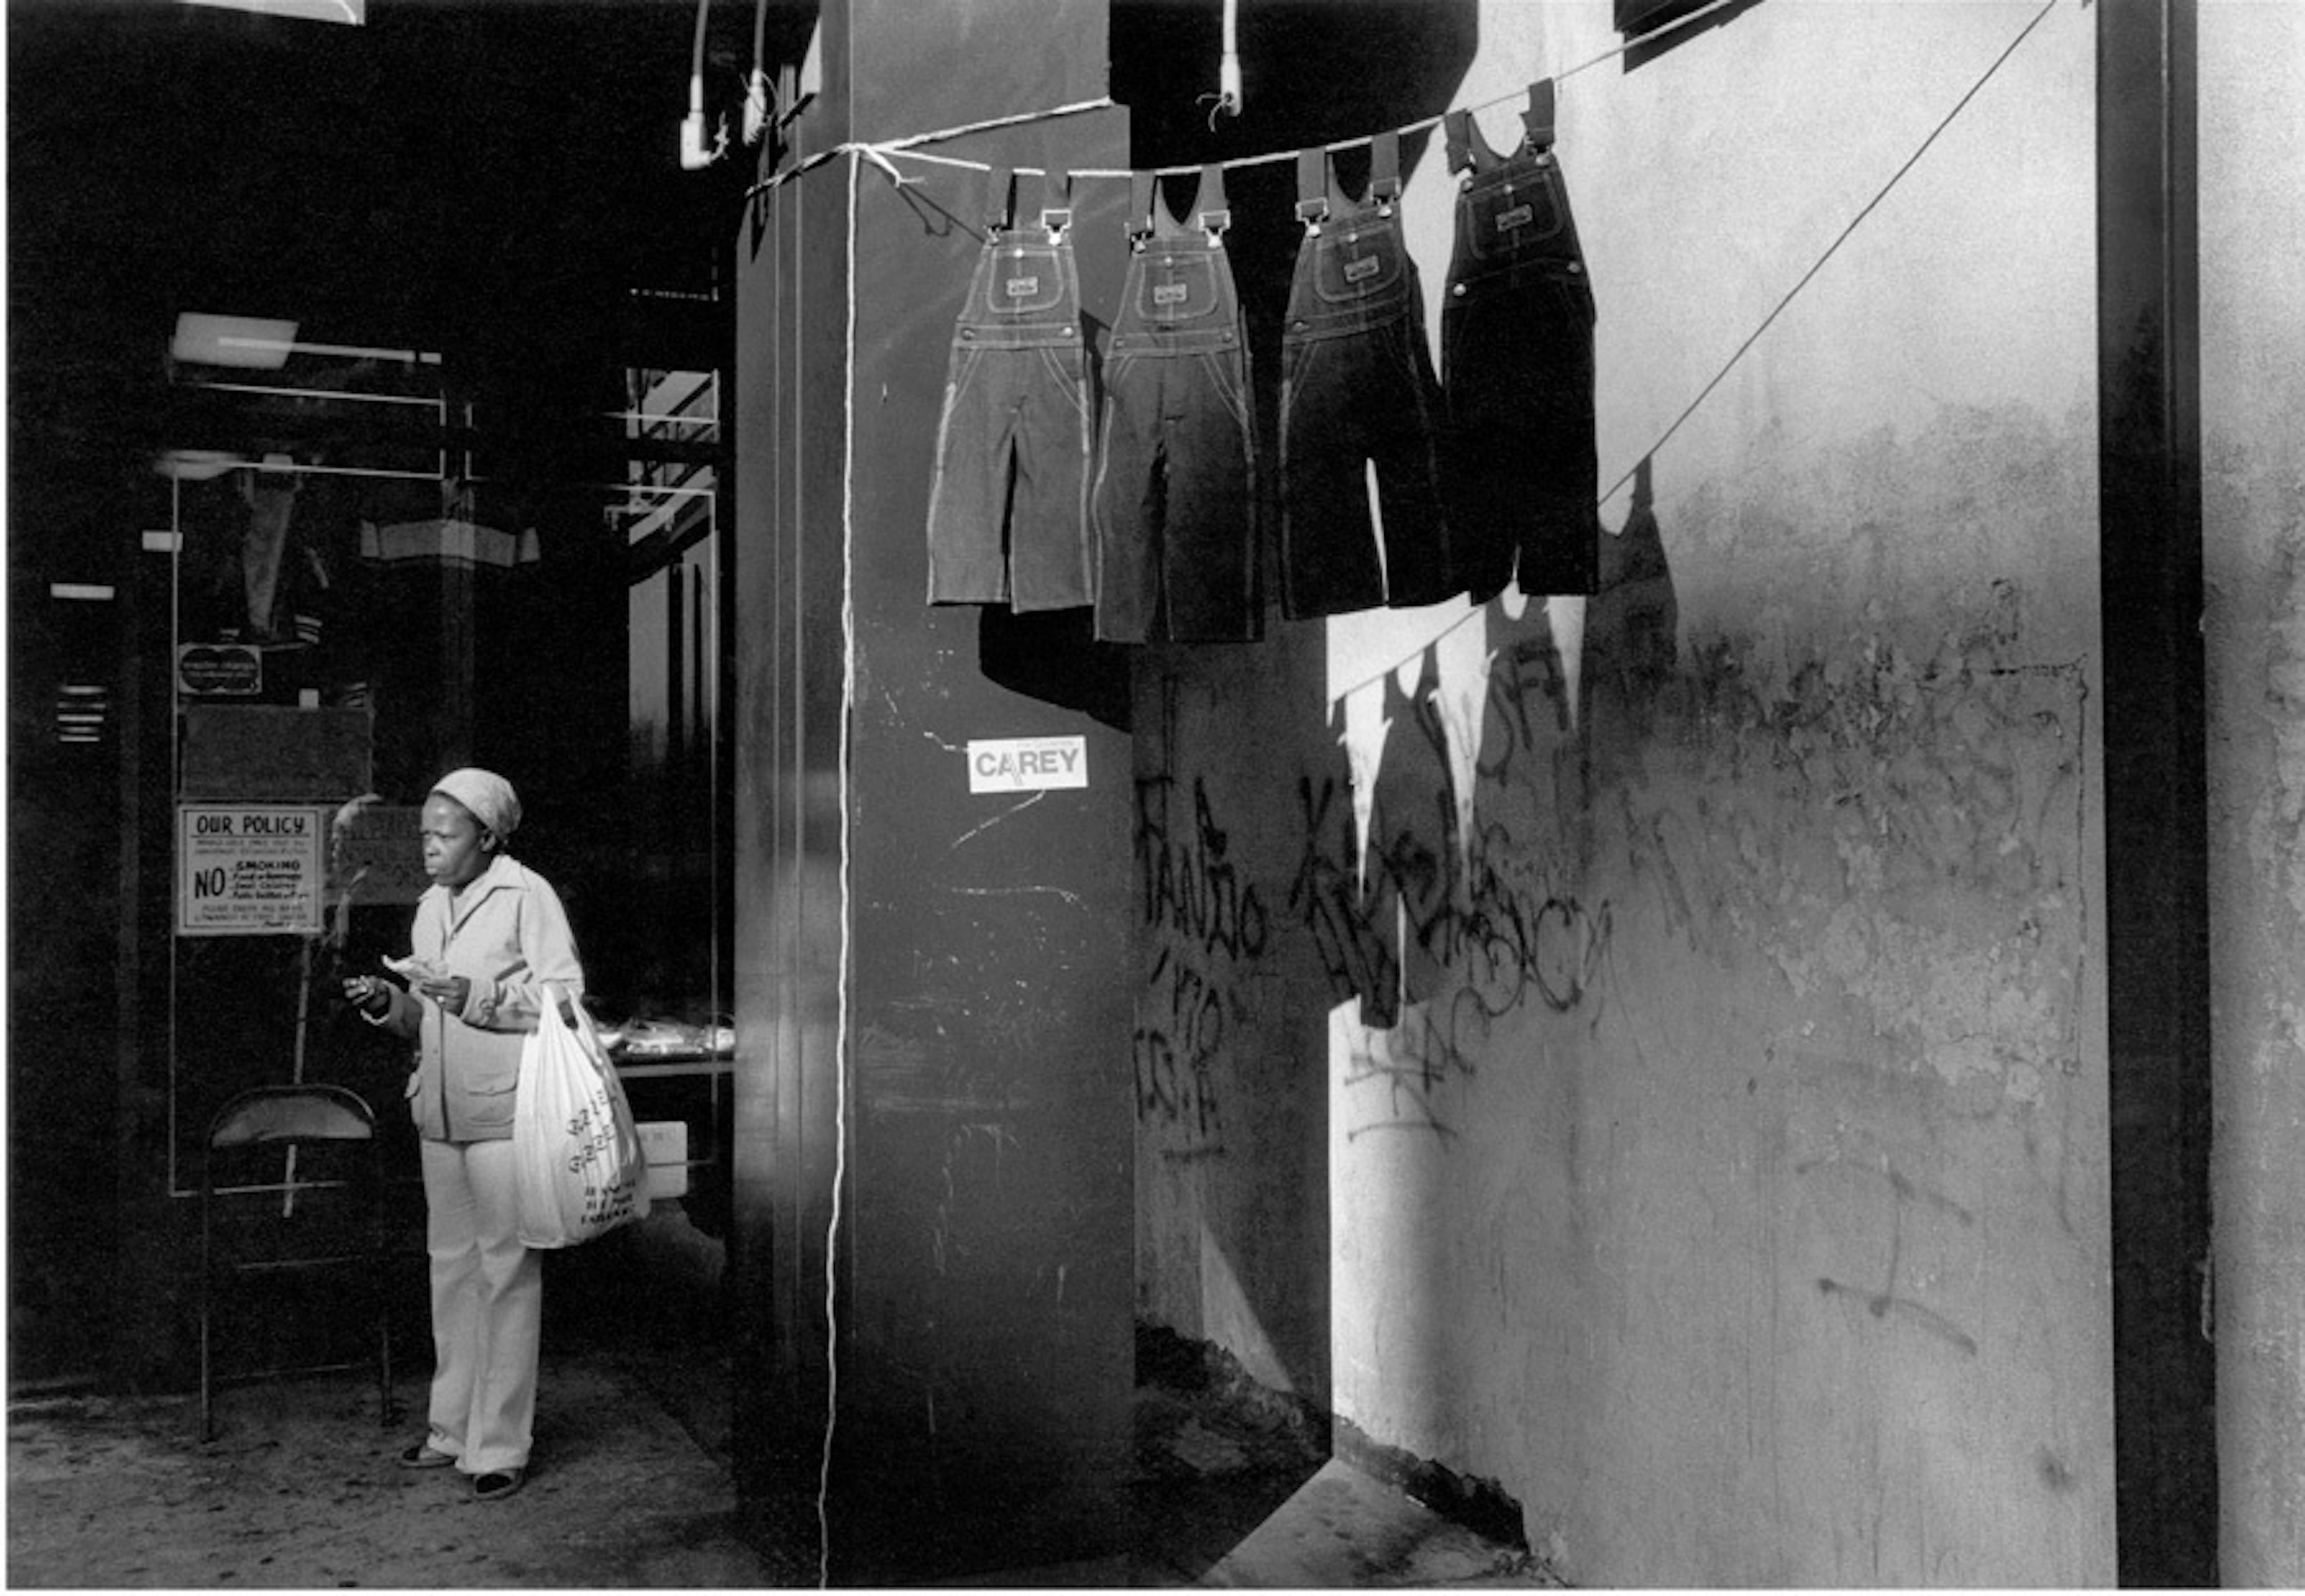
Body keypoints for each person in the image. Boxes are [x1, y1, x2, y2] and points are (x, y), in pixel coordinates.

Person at [342, 767, 582, 1503]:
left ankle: (500, 1444)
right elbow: (427, 1018)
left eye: (445, 836)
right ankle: (451, 1429)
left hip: (504, 1113)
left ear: (487, 836)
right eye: (424, 835)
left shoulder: (527, 895)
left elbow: (564, 1002)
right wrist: (389, 1004)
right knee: (451, 1268)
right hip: (439, 1114)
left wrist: (477, 998)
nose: (430, 848)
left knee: (506, 1275)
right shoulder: (427, 909)